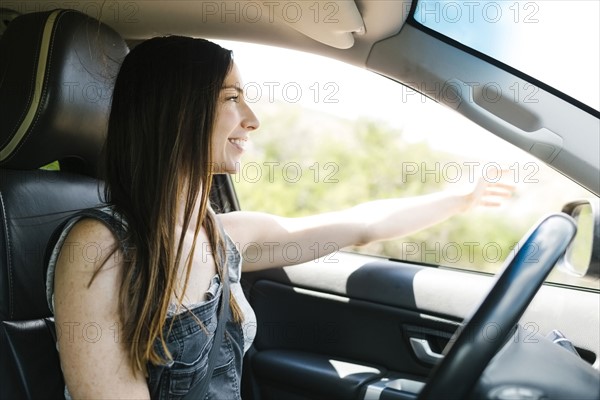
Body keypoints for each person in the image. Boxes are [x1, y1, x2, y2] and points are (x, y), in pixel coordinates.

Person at [46, 36, 513, 399]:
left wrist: (461, 199)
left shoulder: (221, 235)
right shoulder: (101, 248)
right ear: (176, 111)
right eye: (231, 98)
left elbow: (359, 224)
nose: (252, 119)